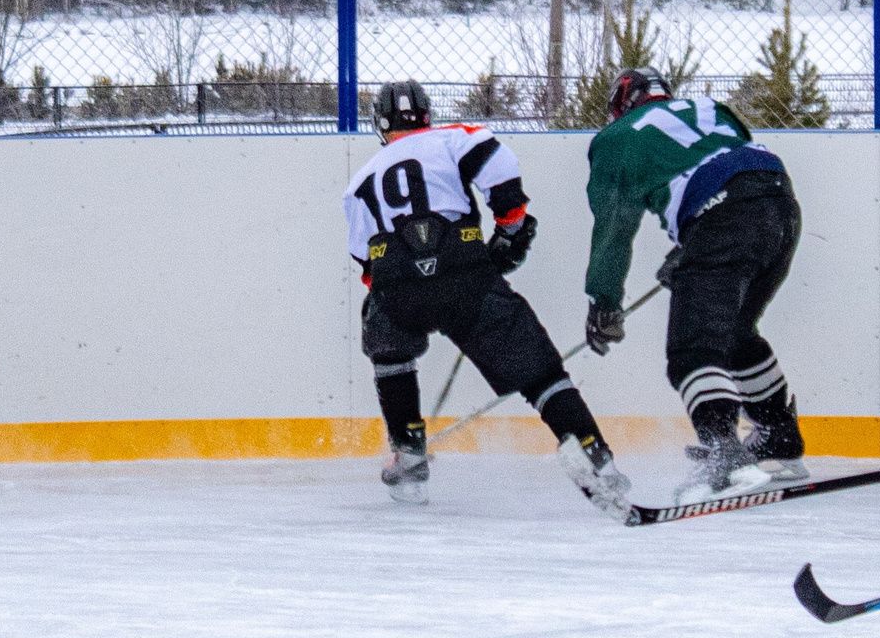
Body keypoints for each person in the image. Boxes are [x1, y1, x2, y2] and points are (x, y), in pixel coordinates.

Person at [344, 79, 632, 517]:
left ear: (381, 124)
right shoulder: (456, 137)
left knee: (387, 340)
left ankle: (408, 453)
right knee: (539, 372)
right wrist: (510, 229)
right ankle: (595, 456)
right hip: (464, 275)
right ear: (426, 116)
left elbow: (367, 268)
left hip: (397, 279)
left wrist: (408, 292)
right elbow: (501, 173)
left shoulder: (360, 180)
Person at [581, 70, 807, 500]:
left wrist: (604, 299)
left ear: (621, 104)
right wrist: (692, 241)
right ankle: (780, 444)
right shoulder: (709, 107)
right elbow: (733, 164)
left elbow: (614, 227)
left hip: (724, 216)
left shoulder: (616, 137)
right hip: (781, 205)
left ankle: (724, 456)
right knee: (736, 332)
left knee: (693, 350)